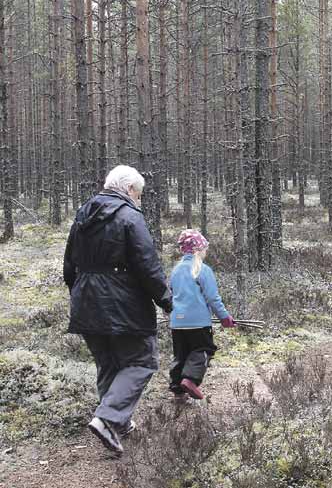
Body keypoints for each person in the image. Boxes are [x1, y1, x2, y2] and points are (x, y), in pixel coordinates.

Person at [63, 165, 172, 454]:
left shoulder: (82, 215)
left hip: (86, 302)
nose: (139, 198)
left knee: (109, 364)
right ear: (128, 189)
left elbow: (68, 266)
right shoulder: (129, 216)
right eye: (138, 192)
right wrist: (167, 300)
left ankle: (118, 423)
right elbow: (147, 266)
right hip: (123, 305)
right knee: (141, 361)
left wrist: (80, 296)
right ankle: (108, 418)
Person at [169, 229, 235, 402]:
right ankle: (190, 380)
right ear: (198, 249)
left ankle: (178, 391)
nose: (206, 251)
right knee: (203, 350)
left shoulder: (175, 271)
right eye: (204, 248)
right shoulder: (203, 270)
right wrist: (224, 317)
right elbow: (212, 298)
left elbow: (169, 296)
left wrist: (171, 315)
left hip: (177, 323)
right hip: (199, 323)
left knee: (181, 355)